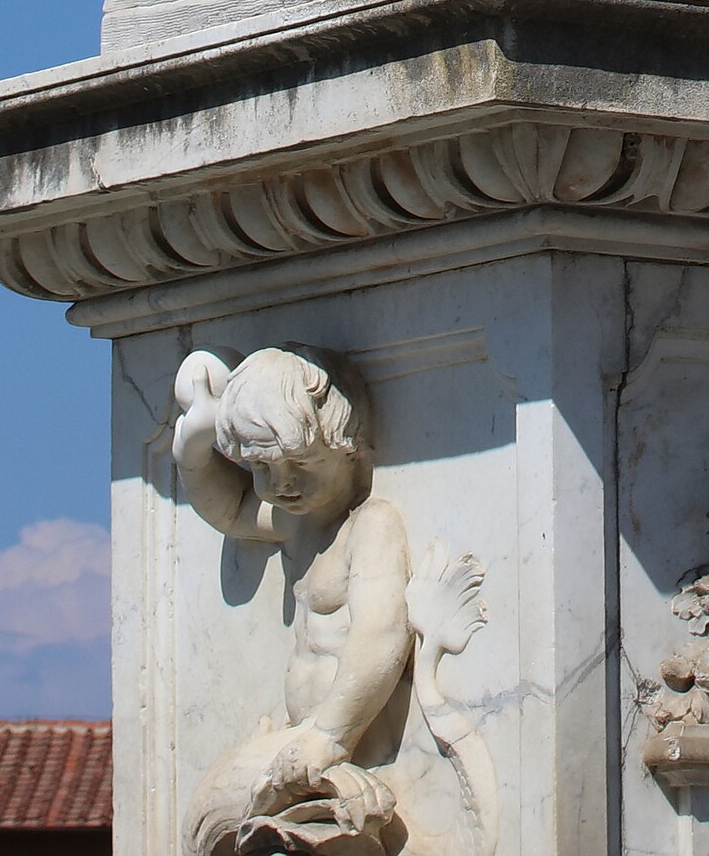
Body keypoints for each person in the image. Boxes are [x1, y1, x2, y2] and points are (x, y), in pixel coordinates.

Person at [172, 347, 491, 856]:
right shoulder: (296, 523)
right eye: (260, 467)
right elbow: (229, 510)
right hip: (308, 746)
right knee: (205, 825)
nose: (281, 484)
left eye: (300, 463)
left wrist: (329, 735)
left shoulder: (371, 526)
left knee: (211, 822)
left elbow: (380, 635)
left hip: (349, 747)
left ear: (346, 445)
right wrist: (193, 445)